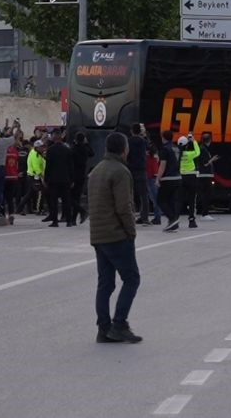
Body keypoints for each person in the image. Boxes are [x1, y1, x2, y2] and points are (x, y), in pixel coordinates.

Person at [87, 131, 143, 343]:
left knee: (105, 283)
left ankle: (104, 329)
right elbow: (124, 207)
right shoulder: (120, 171)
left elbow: (88, 201)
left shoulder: (96, 170)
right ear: (124, 149)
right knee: (132, 278)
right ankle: (119, 324)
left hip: (98, 235)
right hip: (116, 234)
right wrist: (131, 231)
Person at [43, 131, 74, 227]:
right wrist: (72, 179)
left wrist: (46, 179)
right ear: (61, 137)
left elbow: (48, 166)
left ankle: (55, 221)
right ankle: (69, 221)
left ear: (54, 138)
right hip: (65, 179)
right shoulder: (67, 150)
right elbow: (71, 166)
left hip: (53, 179)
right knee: (66, 200)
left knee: (54, 201)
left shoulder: (50, 150)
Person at [156, 131, 182, 231]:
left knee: (161, 200)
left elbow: (163, 164)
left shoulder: (164, 149)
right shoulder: (176, 148)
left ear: (163, 137)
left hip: (168, 178)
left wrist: (158, 178)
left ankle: (172, 219)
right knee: (172, 201)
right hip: (177, 177)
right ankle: (173, 224)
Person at [126, 124, 150, 226]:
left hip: (130, 169)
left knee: (129, 194)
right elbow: (149, 148)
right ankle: (145, 218)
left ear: (131, 131)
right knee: (144, 195)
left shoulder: (128, 141)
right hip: (141, 169)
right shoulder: (143, 141)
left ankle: (131, 216)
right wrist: (144, 135)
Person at [0, 128, 15, 219]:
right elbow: (14, 137)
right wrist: (14, 127)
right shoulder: (3, 142)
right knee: (0, 191)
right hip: (0, 168)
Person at [70, 132, 94, 225]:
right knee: (77, 197)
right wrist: (87, 143)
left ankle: (81, 211)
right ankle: (73, 219)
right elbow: (92, 153)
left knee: (69, 196)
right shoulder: (85, 149)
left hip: (74, 175)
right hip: (82, 175)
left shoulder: (74, 149)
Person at [178, 134, 201, 229]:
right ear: (187, 145)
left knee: (179, 199)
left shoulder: (178, 155)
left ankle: (175, 219)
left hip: (181, 177)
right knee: (191, 199)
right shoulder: (189, 154)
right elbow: (198, 152)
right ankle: (191, 220)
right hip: (191, 177)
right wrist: (194, 141)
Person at [195, 132, 218, 222]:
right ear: (209, 140)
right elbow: (205, 163)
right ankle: (205, 213)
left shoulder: (201, 148)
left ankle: (203, 212)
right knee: (206, 194)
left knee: (204, 194)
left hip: (203, 174)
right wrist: (212, 159)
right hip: (205, 175)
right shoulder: (203, 149)